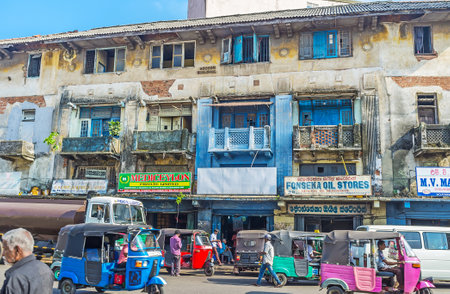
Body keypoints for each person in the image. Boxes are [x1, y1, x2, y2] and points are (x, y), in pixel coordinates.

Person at [1, 228, 53, 294]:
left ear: (17, 250)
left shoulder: (16, 277)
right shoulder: (46, 269)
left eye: (5, 249)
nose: (3, 253)